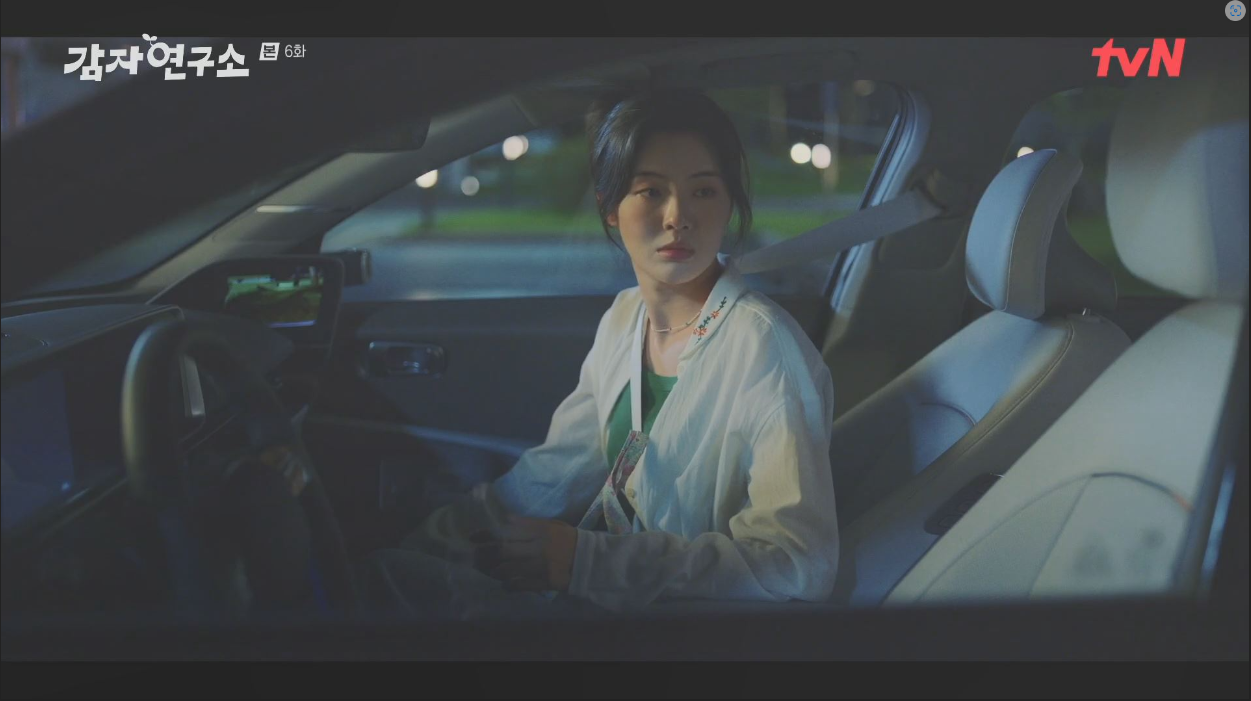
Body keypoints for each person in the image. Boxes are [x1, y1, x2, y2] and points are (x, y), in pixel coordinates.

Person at [361, 90, 839, 617]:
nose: (678, 216)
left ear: (729, 205)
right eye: (651, 191)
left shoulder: (764, 351)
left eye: (703, 191)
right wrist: (437, 537)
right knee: (385, 578)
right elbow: (555, 474)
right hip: (593, 599)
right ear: (610, 208)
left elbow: (796, 563)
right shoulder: (624, 319)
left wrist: (588, 562)